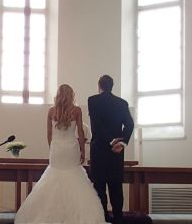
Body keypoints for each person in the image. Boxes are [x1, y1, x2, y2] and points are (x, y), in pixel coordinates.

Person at [14, 84, 107, 224]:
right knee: (74, 176)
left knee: (54, 176)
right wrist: (82, 151)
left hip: (57, 148)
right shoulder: (76, 110)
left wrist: (52, 148)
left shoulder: (51, 111)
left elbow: (49, 133)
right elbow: (80, 132)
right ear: (71, 95)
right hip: (71, 148)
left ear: (58, 95)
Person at [88, 75, 134, 224]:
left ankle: (103, 218)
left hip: (99, 150)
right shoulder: (122, 103)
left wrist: (110, 140)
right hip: (116, 151)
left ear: (99, 86)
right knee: (116, 185)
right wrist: (121, 142)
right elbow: (130, 124)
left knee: (99, 186)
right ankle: (118, 217)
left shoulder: (92, 101)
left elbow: (97, 126)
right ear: (112, 86)